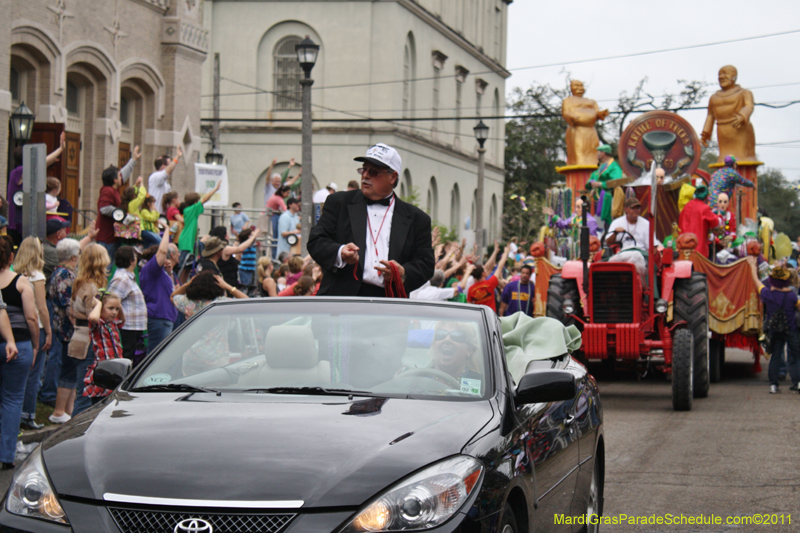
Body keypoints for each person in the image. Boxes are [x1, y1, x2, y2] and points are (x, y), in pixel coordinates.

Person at [308, 143, 435, 296]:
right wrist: (340, 252)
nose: (365, 176)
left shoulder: (417, 219)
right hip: (341, 300)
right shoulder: (339, 203)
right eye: (364, 169)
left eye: (373, 171)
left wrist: (402, 273)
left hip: (388, 304)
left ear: (392, 177)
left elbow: (426, 265)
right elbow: (316, 240)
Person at [51, 243, 108, 422]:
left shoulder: (79, 282)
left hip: (78, 337)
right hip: (89, 342)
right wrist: (102, 307)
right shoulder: (92, 287)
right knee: (86, 394)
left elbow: (73, 312)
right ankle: (75, 433)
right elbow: (94, 317)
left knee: (80, 387)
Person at [14, 237, 52, 430]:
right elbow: (42, 308)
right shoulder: (37, 276)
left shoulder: (12, 273)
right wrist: (49, 330)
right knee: (33, 373)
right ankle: (28, 415)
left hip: (14, 327)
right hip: (34, 326)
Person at [747, 257, 800, 394]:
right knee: (797, 355)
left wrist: (752, 266)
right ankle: (798, 383)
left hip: (775, 330)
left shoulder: (767, 293)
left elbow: (756, 281)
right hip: (791, 329)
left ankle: (773, 385)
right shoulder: (792, 296)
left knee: (775, 357)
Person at [43, 239, 80, 409]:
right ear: (73, 256)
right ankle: (61, 410)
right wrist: (79, 328)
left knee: (71, 371)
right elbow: (68, 306)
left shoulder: (58, 271)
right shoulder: (65, 275)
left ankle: (68, 410)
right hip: (68, 330)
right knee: (68, 370)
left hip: (64, 328)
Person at [8, 132, 66, 241]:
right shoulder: (20, 171)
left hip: (20, 220)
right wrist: (60, 149)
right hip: (19, 221)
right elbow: (41, 163)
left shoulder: (16, 173)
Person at [701, 65, 757, 163]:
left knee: (741, 159)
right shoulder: (714, 98)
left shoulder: (744, 93)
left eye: (724, 73)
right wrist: (706, 133)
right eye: (719, 74)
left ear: (734, 76)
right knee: (724, 159)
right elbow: (710, 115)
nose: (721, 77)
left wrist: (742, 116)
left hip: (740, 129)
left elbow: (749, 106)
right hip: (722, 131)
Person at [140, 224, 179, 354]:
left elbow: (173, 291)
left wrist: (170, 272)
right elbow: (162, 252)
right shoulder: (150, 269)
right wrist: (167, 230)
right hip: (159, 319)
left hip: (165, 319)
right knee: (155, 357)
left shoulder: (162, 272)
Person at [81, 292, 124, 405]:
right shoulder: (99, 324)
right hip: (103, 372)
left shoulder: (113, 324)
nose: (114, 312)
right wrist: (98, 304)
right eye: (110, 308)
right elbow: (93, 317)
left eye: (117, 309)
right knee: (98, 405)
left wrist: (119, 304)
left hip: (115, 372)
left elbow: (123, 318)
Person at [108, 246, 147, 364]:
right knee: (125, 358)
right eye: (135, 257)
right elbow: (112, 300)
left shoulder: (128, 277)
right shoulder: (122, 279)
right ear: (131, 260)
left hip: (134, 327)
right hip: (127, 327)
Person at [562, 80, 610, 166]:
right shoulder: (568, 101)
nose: (579, 88)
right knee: (579, 151)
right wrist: (571, 116)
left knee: (594, 151)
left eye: (581, 86)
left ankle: (594, 168)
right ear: (571, 88)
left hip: (591, 131)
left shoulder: (591, 101)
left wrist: (602, 114)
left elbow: (596, 113)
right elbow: (565, 113)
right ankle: (580, 169)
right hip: (577, 130)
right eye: (576, 86)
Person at [177, 181, 222, 269]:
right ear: (195, 202)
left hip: (189, 242)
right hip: (186, 241)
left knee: (187, 269)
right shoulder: (190, 210)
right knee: (181, 267)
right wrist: (215, 189)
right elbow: (205, 199)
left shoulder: (190, 210)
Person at [171, 271, 247, 319]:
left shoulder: (187, 303)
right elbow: (246, 301)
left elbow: (172, 296)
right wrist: (228, 286)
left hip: (193, 343)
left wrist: (188, 284)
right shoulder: (221, 303)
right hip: (218, 344)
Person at [678, 184, 722, 258]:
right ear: (706, 196)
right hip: (698, 250)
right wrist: (719, 216)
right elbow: (716, 223)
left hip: (683, 248)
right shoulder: (704, 208)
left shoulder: (687, 206)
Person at [588, 144, 623, 226]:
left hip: (610, 200)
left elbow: (616, 181)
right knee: (600, 226)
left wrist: (600, 184)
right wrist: (594, 188)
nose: (597, 154)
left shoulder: (614, 166)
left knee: (609, 225)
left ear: (604, 153)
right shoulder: (601, 166)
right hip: (600, 201)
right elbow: (594, 178)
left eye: (599, 151)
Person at [467, 246, 510, 312]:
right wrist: (506, 253)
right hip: (491, 316)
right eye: (485, 270)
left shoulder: (471, 289)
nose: (486, 270)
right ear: (483, 274)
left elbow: (469, 306)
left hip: (479, 317)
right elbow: (499, 267)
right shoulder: (490, 283)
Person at [148, 146, 183, 215]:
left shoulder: (166, 183)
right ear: (163, 166)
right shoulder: (155, 176)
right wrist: (177, 157)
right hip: (155, 214)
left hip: (163, 215)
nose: (171, 166)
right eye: (169, 165)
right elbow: (167, 172)